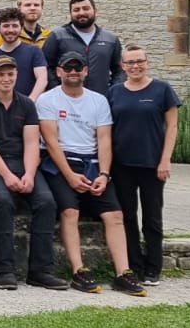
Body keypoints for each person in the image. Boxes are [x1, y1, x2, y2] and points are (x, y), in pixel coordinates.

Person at [38, 51, 147, 296]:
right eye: (68, 68)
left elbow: (104, 139)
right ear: (59, 72)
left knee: (115, 215)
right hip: (61, 164)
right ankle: (79, 270)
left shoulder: (98, 101)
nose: (73, 72)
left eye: (78, 68)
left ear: (86, 71)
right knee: (69, 211)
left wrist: (104, 174)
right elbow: (51, 142)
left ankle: (123, 272)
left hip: (93, 165)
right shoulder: (47, 100)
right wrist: (69, 175)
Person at [0, 56, 65, 291]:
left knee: (46, 202)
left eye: (10, 74)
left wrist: (30, 174)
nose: (5, 78)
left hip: (23, 161)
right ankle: (6, 270)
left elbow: (32, 143)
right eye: (0, 74)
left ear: (16, 76)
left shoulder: (26, 104)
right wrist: (7, 175)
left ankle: (40, 271)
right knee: (2, 201)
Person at [108, 45, 180, 288]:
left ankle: (153, 267)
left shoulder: (162, 90)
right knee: (127, 217)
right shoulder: (115, 92)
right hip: (122, 165)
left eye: (139, 61)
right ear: (123, 66)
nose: (135, 66)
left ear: (147, 63)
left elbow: (171, 127)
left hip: (152, 164)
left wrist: (165, 159)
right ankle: (134, 266)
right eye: (130, 62)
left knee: (152, 217)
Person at [41, 0, 124, 96]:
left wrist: (113, 92)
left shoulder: (110, 39)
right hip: (66, 100)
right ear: (70, 14)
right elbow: (46, 67)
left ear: (95, 11)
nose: (81, 12)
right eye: (76, 10)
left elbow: (119, 71)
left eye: (86, 8)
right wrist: (58, 91)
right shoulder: (57, 36)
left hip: (101, 100)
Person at [0, 7, 48, 99]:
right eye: (6, 26)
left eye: (15, 26)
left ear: (21, 28)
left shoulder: (34, 51)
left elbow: (42, 79)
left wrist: (30, 101)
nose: (10, 30)